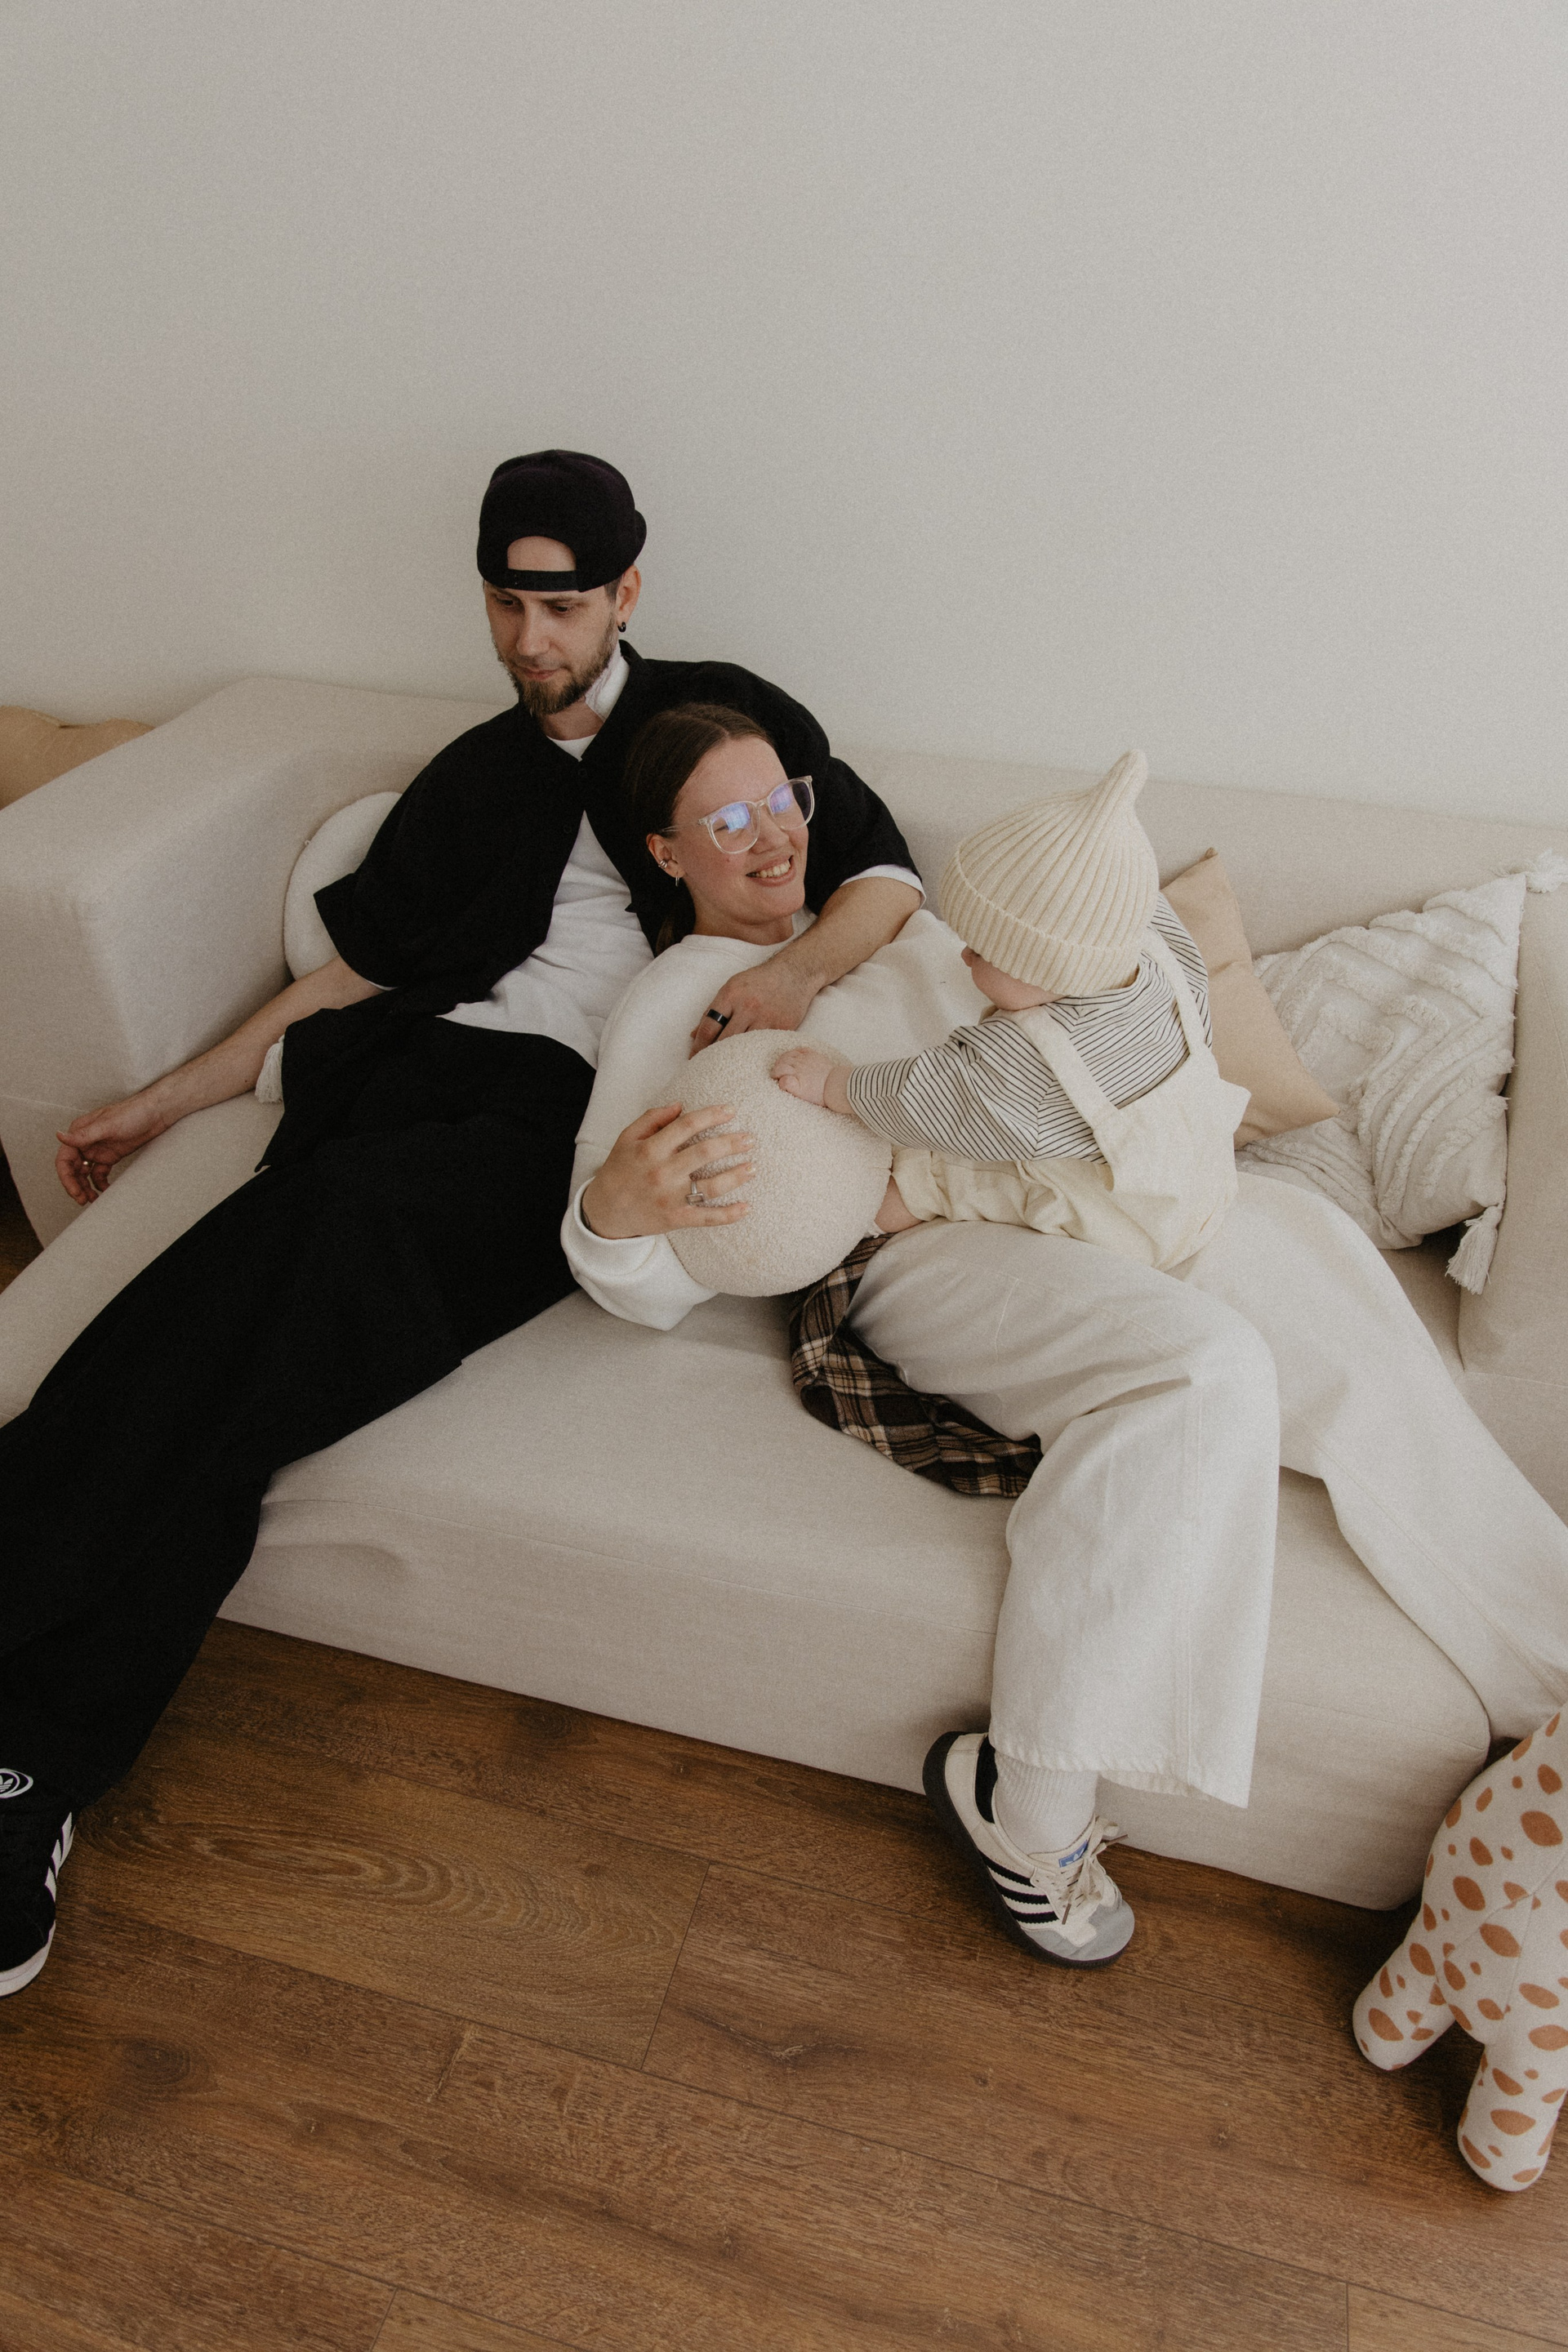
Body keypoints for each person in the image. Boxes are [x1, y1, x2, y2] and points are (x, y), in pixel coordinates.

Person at [0, 449, 923, 1999]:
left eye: (562, 605)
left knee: (297, 1264)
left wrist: (790, 975)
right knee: (236, 1392)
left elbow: (883, 875)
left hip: (552, 1122)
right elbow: (348, 975)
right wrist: (162, 1102)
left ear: (626, 593)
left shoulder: (720, 732)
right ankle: (24, 1781)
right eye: (506, 603)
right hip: (403, 1079)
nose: (530, 637)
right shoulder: (475, 775)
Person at [567, 701, 1568, 1971]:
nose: (772, 837)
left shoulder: (894, 915)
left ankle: (1555, 1679)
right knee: (1201, 1371)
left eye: (783, 801)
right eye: (728, 820)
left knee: (1326, 1274)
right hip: (915, 1242)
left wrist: (818, 963)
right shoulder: (677, 999)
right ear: (665, 852)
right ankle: (1026, 1802)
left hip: (1095, 1186)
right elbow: (631, 1259)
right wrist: (613, 1215)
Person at [773, 750, 1247, 1272]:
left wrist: (835, 1084)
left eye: (981, 950)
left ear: (1045, 968)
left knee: (940, 1171)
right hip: (1202, 1177)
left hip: (1125, 1221)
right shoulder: (1157, 949)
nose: (963, 955)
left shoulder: (1034, 1060)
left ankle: (830, 1246)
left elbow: (929, 1097)